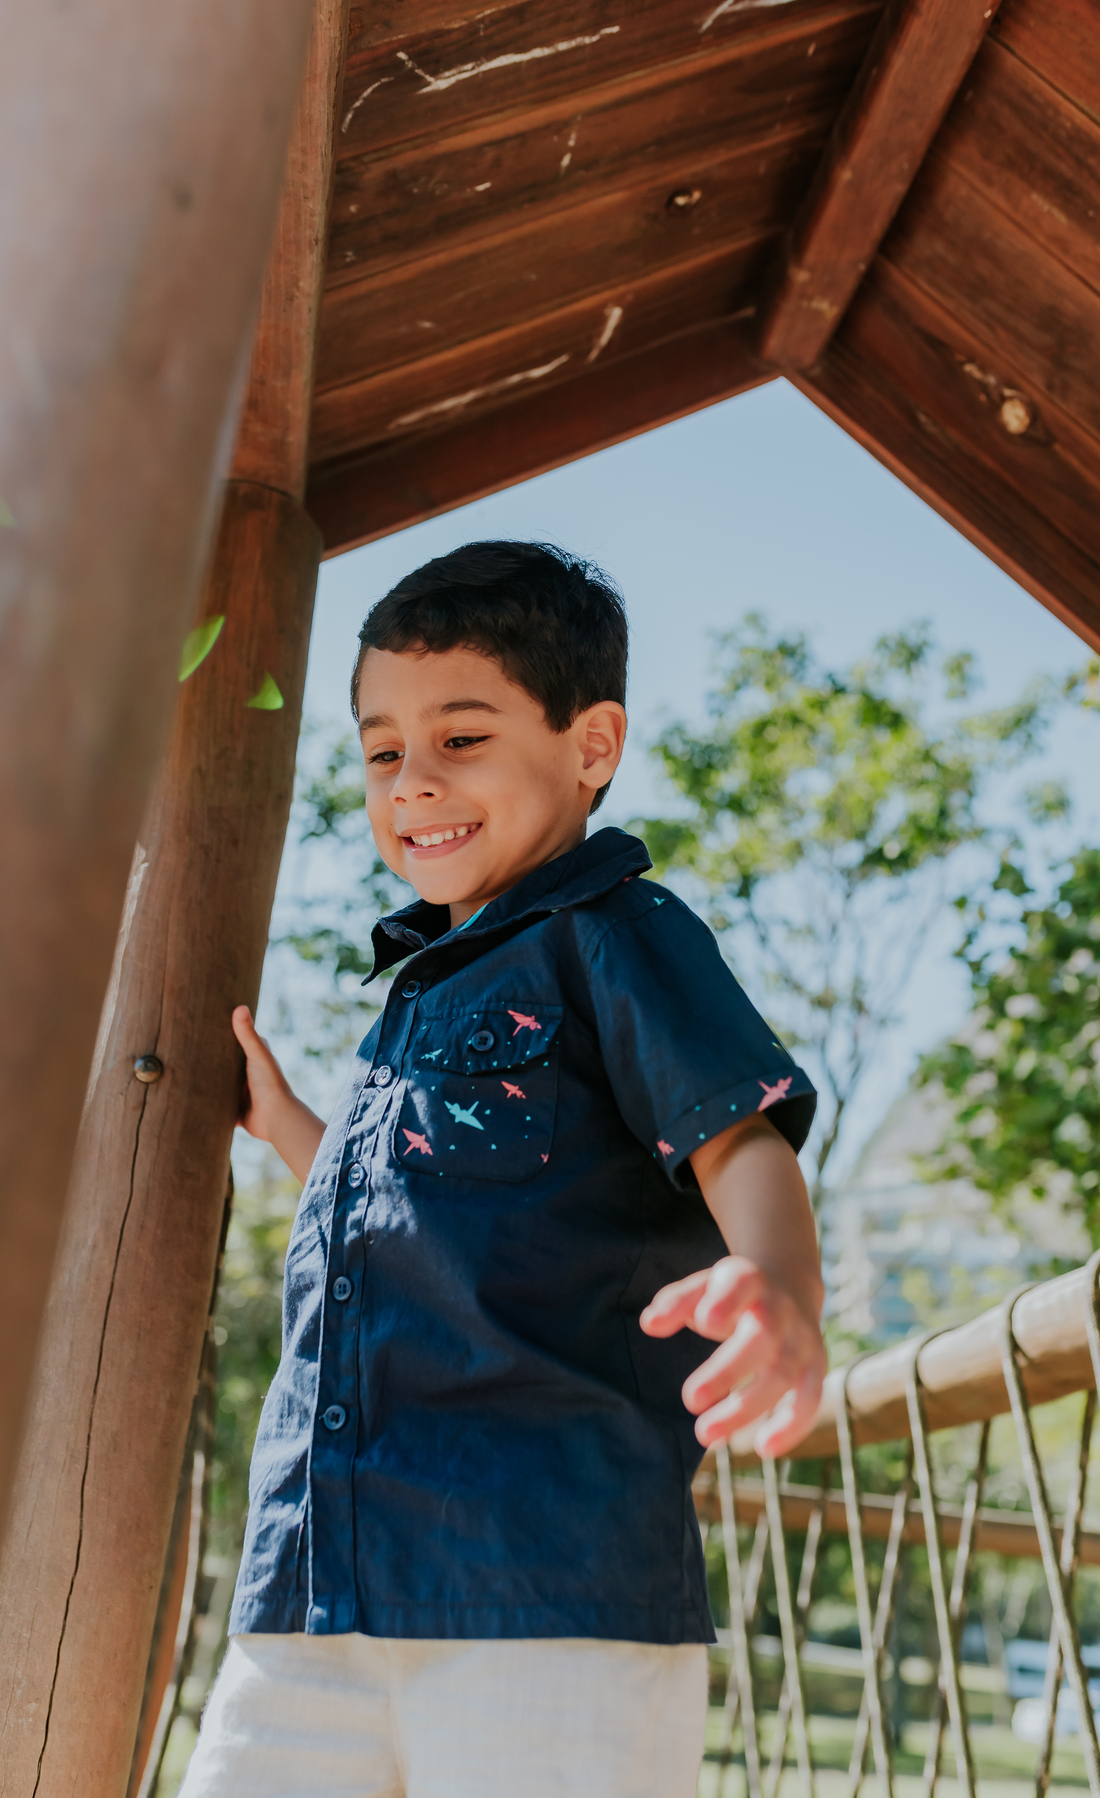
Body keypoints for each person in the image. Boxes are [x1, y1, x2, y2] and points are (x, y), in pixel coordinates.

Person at [180, 541, 826, 1798]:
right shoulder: (414, 994)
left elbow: (739, 1136)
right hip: (320, 1583)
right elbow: (420, 1213)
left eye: (461, 739)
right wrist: (294, 1129)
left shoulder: (613, 932)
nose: (412, 781)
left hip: (546, 1587)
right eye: (381, 751)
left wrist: (783, 1289)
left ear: (591, 745)